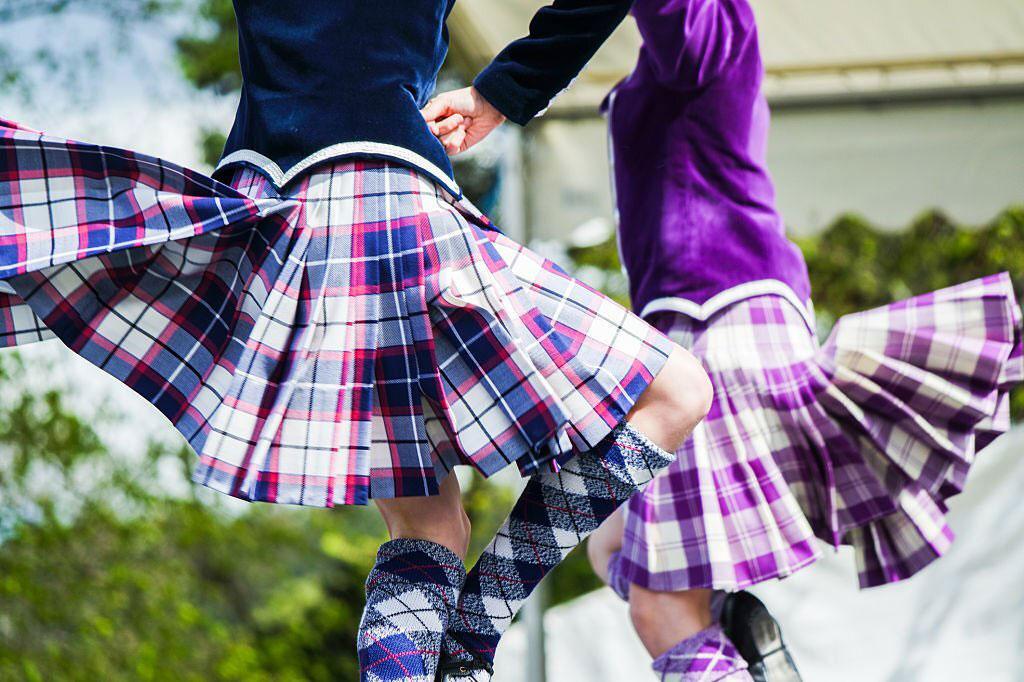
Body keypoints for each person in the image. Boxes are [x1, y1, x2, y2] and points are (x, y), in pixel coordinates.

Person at [0, 2, 716, 681]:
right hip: (388, 195)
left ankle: (463, 639)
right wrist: (504, 90)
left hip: (281, 223)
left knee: (429, 525)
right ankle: (477, 627)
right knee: (676, 391)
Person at [577, 0, 1024, 680]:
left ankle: (720, 625)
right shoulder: (686, 51)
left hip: (718, 326)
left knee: (658, 605)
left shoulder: (715, 23)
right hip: (704, 330)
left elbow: (679, 24)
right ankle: (729, 622)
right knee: (609, 544)